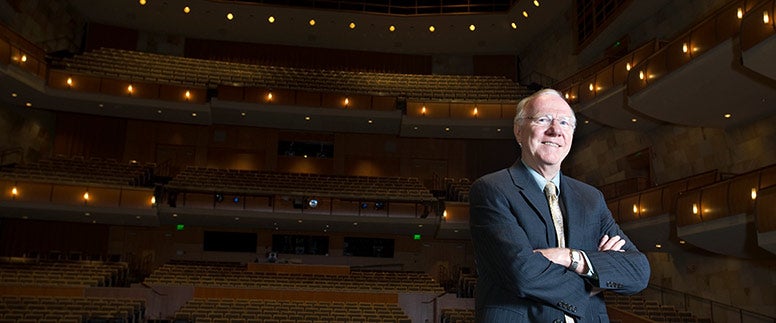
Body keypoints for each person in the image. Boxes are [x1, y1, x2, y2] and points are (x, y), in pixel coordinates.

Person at [469, 89, 650, 322]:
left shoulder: (591, 198)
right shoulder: (491, 189)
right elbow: (523, 274)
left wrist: (570, 258)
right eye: (543, 120)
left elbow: (638, 272)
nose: (555, 130)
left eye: (564, 122)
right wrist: (596, 275)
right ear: (519, 131)